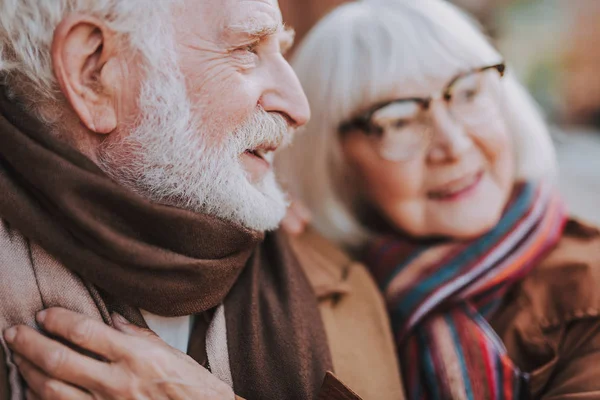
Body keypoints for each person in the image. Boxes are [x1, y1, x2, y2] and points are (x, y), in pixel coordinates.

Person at [0, 1, 404, 399]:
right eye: (248, 49)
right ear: (94, 74)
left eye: (280, 50)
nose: (299, 108)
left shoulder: (341, 280)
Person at [276, 0, 600, 398]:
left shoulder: (589, 292)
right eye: (398, 120)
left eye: (466, 93)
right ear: (335, 162)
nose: (454, 144)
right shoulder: (310, 287)